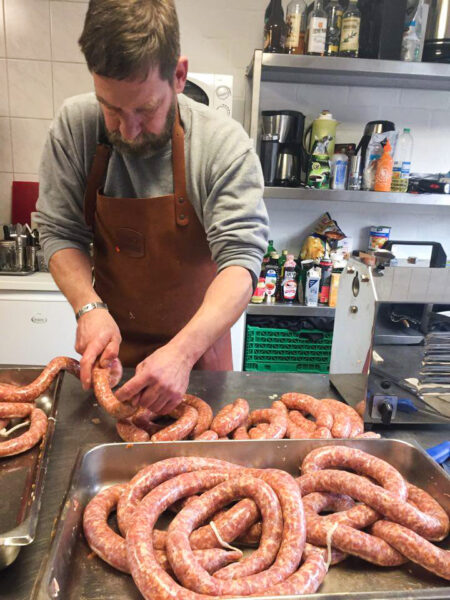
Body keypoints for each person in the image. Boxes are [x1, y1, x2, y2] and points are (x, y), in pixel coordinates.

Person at [35, 0, 269, 415]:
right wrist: (88, 307)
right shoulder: (74, 127)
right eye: (110, 108)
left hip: (200, 363)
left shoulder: (222, 145)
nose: (127, 129)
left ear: (178, 75)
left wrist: (182, 353)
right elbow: (59, 232)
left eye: (145, 109)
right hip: (113, 365)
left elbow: (241, 261)